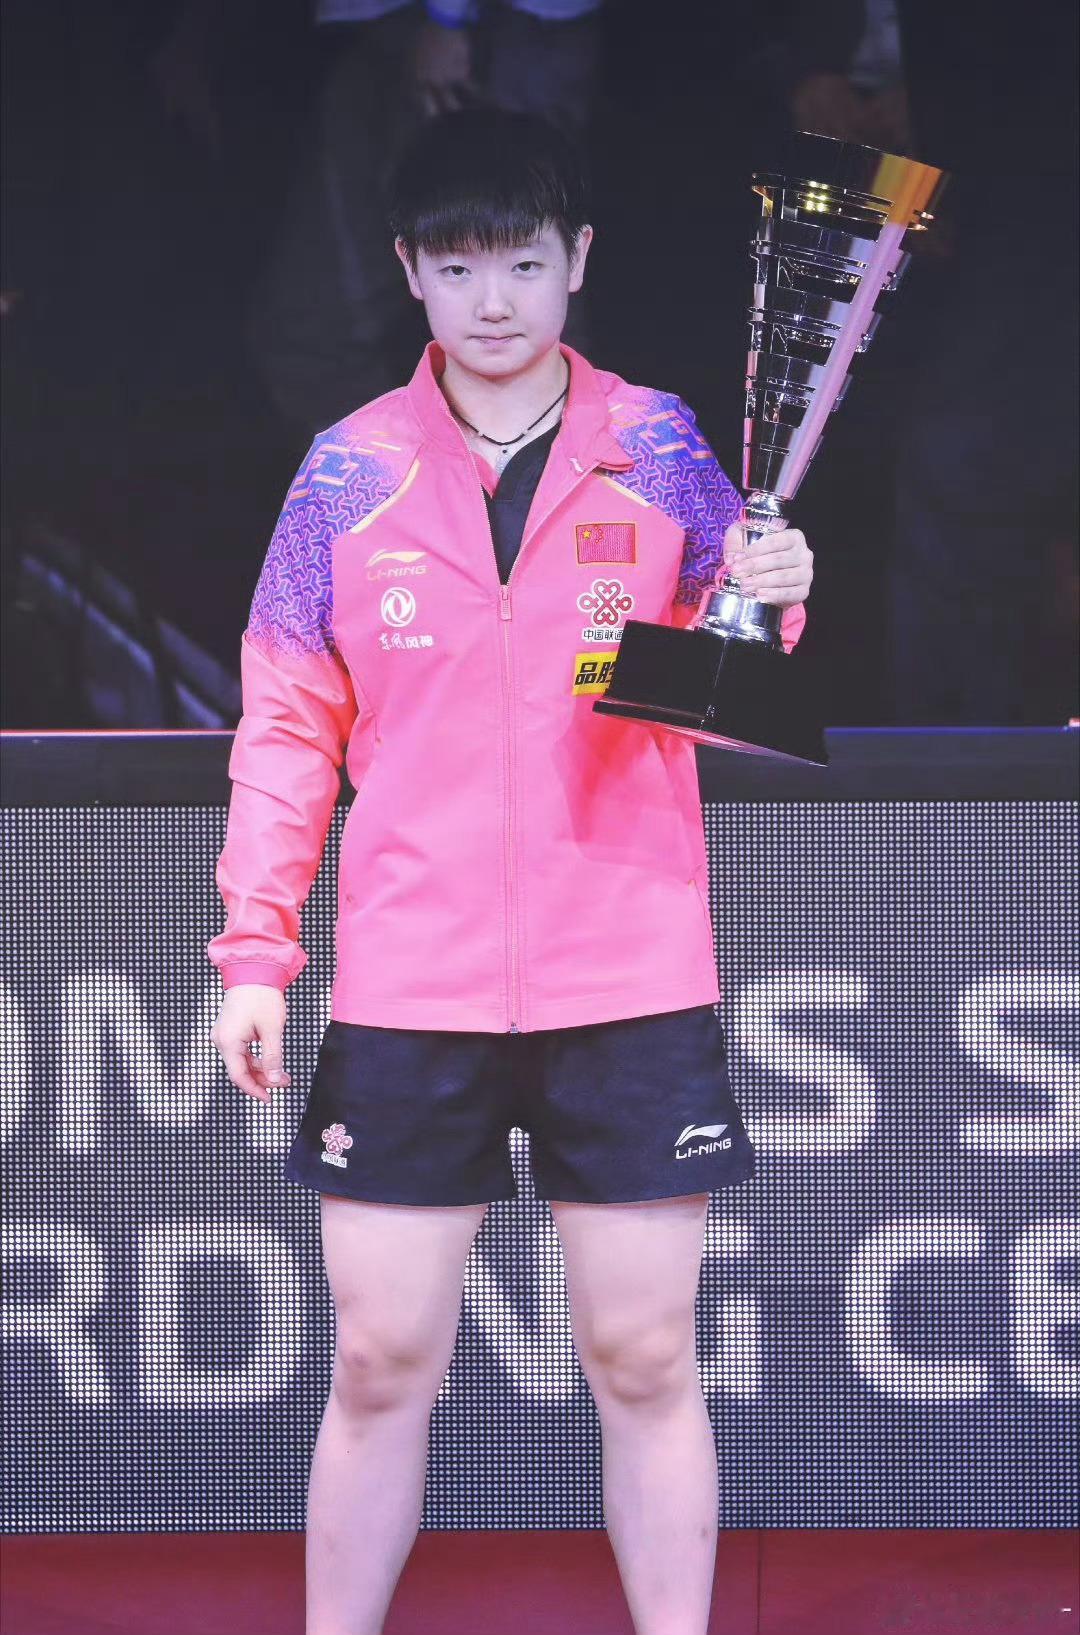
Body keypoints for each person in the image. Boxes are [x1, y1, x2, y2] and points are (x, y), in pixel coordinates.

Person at [207, 106, 813, 1635]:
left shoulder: (660, 447)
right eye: (461, 264)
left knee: (645, 1360)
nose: (495, 300)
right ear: (410, 269)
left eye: (525, 263)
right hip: (413, 988)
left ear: (578, 260)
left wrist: (772, 594)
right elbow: (287, 725)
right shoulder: (345, 475)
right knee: (378, 1363)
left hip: (630, 978)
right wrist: (258, 951)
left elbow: (730, 688)